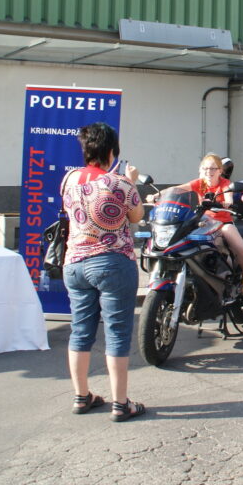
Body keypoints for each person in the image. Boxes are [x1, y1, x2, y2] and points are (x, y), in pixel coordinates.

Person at [62, 122, 145, 422]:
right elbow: (136, 215)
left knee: (81, 331)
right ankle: (121, 403)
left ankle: (81, 395)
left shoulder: (69, 178)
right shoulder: (119, 183)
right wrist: (130, 181)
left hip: (74, 262)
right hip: (112, 262)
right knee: (117, 332)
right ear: (112, 151)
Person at [187, 154, 243, 295]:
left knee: (240, 246)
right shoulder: (199, 183)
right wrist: (157, 196)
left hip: (223, 223)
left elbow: (228, 196)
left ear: (220, 171)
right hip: (204, 224)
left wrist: (228, 202)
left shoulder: (224, 184)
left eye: (212, 169)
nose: (208, 172)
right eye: (205, 168)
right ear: (200, 169)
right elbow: (179, 189)